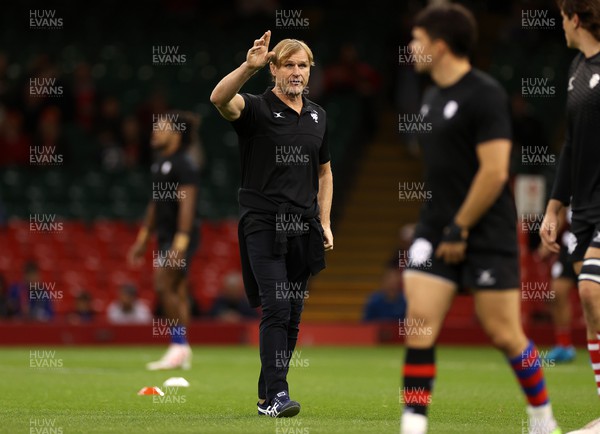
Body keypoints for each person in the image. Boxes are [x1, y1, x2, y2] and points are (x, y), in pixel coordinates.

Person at [400, 5, 560, 434]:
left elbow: (494, 172)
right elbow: (440, 176)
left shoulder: (486, 94)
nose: (410, 49)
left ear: (440, 45)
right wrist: (430, 230)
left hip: (486, 231)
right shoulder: (430, 97)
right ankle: (412, 424)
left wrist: (461, 227)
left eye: (416, 40)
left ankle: (542, 418)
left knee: (506, 334)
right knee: (419, 327)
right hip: (438, 230)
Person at [210, 31, 333, 418]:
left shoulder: (318, 115)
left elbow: (326, 173)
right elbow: (219, 100)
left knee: (293, 313)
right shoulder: (257, 108)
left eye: (303, 66)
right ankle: (279, 395)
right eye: (289, 65)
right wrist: (249, 66)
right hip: (263, 221)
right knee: (277, 306)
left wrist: (325, 221)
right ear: (275, 69)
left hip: (304, 225)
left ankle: (267, 396)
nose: (296, 72)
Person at [540, 0, 600, 429]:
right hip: (584, 207)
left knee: (590, 293)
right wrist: (553, 207)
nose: (560, 25)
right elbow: (572, 146)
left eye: (562, 17)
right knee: (593, 307)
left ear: (575, 18)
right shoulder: (577, 70)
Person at [127, 110, 201, 370]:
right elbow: (155, 205)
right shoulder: (159, 163)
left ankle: (178, 346)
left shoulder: (184, 164)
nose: (154, 132)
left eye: (161, 128)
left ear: (176, 134)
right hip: (165, 236)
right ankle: (182, 349)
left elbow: (187, 207)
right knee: (177, 290)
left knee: (163, 285)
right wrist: (143, 239)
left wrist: (179, 245)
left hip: (181, 237)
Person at [538, 208, 577, 363]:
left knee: (592, 296)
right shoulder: (569, 184)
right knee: (557, 293)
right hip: (571, 244)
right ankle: (564, 345)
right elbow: (559, 214)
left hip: (595, 242)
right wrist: (549, 239)